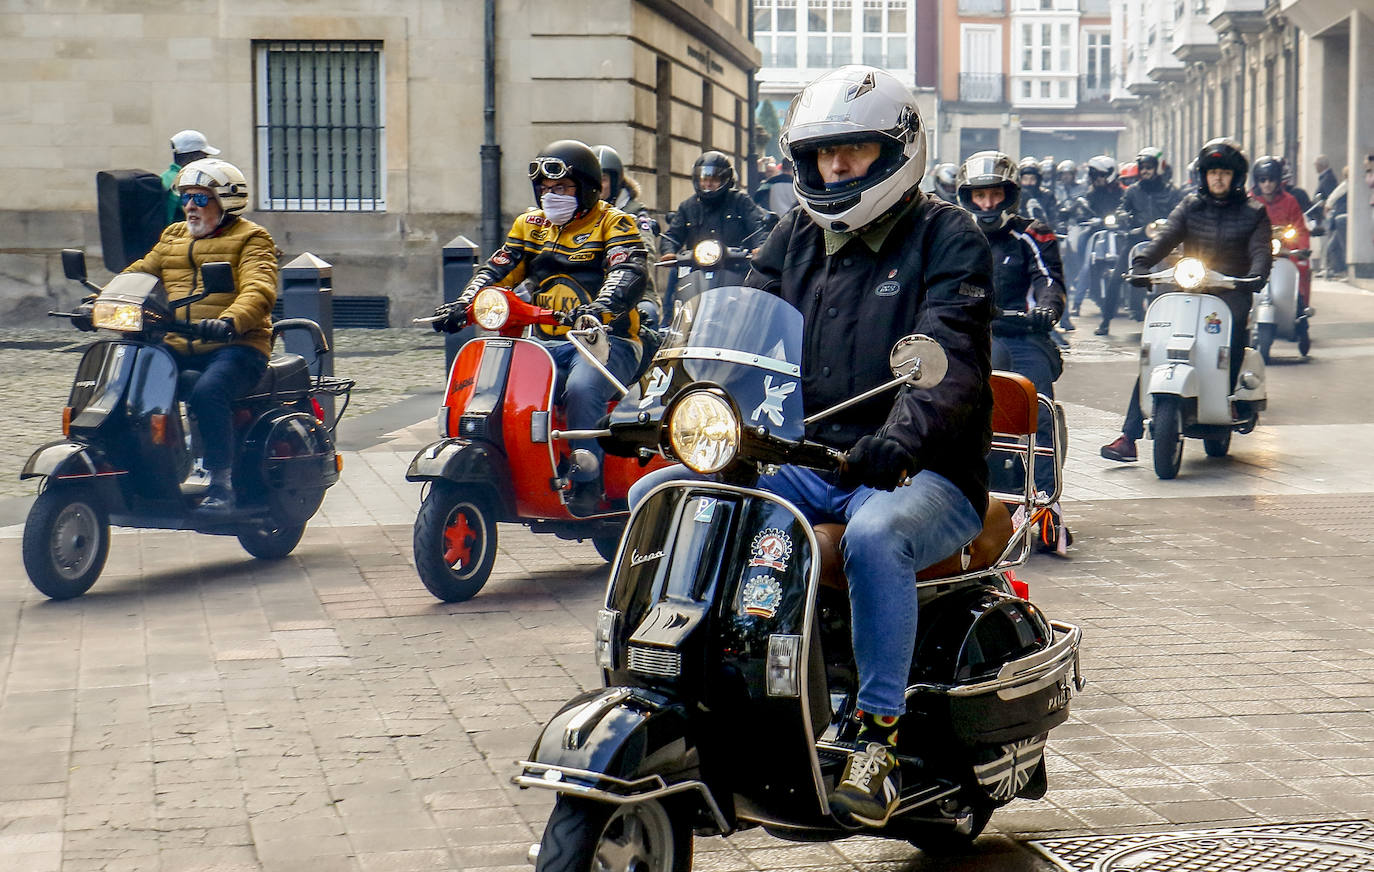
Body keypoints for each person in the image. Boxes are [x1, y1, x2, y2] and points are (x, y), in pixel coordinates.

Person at [631, 64, 995, 828]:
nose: (834, 168)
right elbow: (739, 326)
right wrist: (674, 398)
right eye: (822, 153)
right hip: (805, 460)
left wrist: (896, 442)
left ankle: (877, 736)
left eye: (853, 151)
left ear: (896, 150)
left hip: (917, 470)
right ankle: (682, 688)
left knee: (873, 534)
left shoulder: (947, 235)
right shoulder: (795, 233)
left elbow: (949, 356)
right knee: (661, 495)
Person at [433, 139, 650, 514]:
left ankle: (588, 479)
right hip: (546, 344)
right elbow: (498, 269)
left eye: (562, 188)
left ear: (586, 188)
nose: (552, 196)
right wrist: (463, 303)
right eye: (546, 190)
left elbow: (628, 270)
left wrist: (600, 309)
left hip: (607, 340)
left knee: (582, 389)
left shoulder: (614, 222)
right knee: (504, 390)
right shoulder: (529, 224)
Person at [1101, 138, 1271, 463]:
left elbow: (1261, 250)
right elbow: (1166, 237)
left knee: (1231, 331)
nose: (1218, 178)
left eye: (1224, 173)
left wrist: (1257, 273)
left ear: (1236, 177)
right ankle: (1129, 435)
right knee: (1160, 349)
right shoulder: (1190, 205)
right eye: (1212, 172)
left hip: (1232, 289)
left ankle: (1230, 394)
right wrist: (1141, 263)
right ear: (1203, 175)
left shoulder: (1254, 212)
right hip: (1191, 287)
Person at [124, 158, 278, 512]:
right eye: (186, 198)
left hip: (236, 345)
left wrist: (230, 320)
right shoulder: (173, 237)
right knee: (133, 380)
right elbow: (140, 272)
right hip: (179, 341)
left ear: (226, 202)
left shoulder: (252, 238)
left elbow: (260, 288)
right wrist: (100, 299)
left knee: (209, 391)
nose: (191, 206)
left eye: (201, 198)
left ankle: (220, 483)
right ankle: (148, 466)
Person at [957, 151, 1070, 553]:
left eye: (994, 195)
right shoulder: (954, 235)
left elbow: (1048, 278)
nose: (987, 204)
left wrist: (1046, 310)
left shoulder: (1032, 234)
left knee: (1036, 405)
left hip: (1024, 337)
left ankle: (1047, 503)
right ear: (967, 197)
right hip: (968, 337)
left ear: (1010, 196)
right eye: (979, 196)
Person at [1103, 146, 1182, 333]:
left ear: (1159, 167)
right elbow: (1122, 209)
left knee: (1184, 277)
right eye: (1143, 167)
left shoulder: (1172, 191)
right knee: (1116, 278)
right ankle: (1105, 321)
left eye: (1150, 166)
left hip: (1167, 242)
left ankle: (1179, 321)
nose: (1145, 171)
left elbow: (1181, 211)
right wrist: (1124, 217)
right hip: (1136, 239)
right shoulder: (1132, 191)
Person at [658, 150, 771, 260]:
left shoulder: (741, 201)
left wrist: (761, 247)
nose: (708, 184)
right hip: (696, 268)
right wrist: (669, 251)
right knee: (674, 275)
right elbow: (673, 234)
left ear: (726, 179)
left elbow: (758, 226)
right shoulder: (687, 206)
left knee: (760, 277)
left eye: (714, 179)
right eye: (704, 179)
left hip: (737, 266)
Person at [1066, 155, 1124, 330]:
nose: (1096, 179)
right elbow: (1083, 209)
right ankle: (1076, 302)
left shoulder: (1122, 193)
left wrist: (1126, 218)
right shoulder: (1091, 194)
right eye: (1094, 175)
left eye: (1099, 175)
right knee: (1085, 263)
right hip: (1095, 231)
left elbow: (1127, 208)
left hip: (1117, 231)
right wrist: (1083, 216)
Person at [1252, 155, 1311, 308]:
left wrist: (1302, 248)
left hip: (1284, 253)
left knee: (1300, 273)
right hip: (1255, 254)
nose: (1267, 184)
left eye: (1271, 179)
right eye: (1262, 180)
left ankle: (1300, 314)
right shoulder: (1249, 201)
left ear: (1278, 180)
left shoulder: (1290, 201)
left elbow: (1300, 229)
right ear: (1257, 182)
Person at [159, 129, 220, 225]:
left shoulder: (164, 177)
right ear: (192, 156)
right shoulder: (187, 181)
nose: (206, 160)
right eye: (204, 156)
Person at [1016, 157, 1058, 224]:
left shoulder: (1048, 196)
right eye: (1025, 179)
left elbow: (1054, 220)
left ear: (1038, 180)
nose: (1028, 182)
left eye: (1032, 179)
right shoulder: (1014, 196)